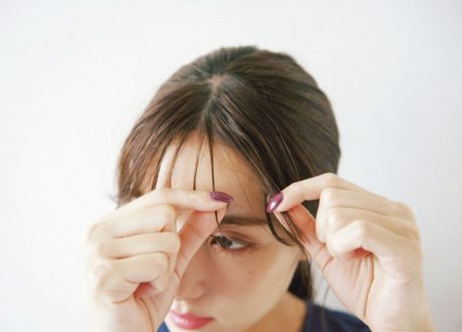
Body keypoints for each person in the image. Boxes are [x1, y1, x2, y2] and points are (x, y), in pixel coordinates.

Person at [85, 45, 435, 332]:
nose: (174, 283)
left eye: (228, 240)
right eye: (159, 226)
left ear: (313, 227)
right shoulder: (127, 320)